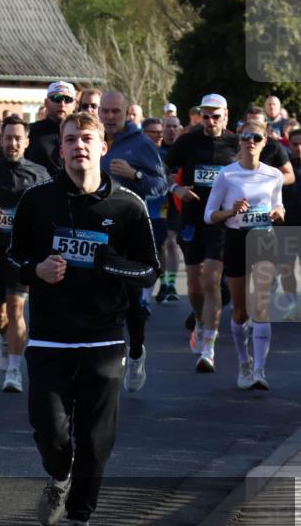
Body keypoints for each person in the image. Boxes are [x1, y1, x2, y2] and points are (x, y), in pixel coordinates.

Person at [8, 111, 159, 526]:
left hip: (104, 339)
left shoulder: (128, 206)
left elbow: (150, 270)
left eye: (87, 139)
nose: (78, 147)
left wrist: (108, 263)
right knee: (50, 433)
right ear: (60, 148)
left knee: (96, 440)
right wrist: (35, 270)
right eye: (70, 139)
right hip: (50, 338)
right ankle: (58, 476)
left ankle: (79, 524)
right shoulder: (38, 202)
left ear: (102, 147)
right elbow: (12, 258)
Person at [0, 116, 50, 392]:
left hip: (23, 254)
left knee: (17, 307)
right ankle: (7, 341)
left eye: (18, 138)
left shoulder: (40, 175)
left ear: (26, 142)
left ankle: (14, 370)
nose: (12, 143)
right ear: (0, 141)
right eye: (8, 138)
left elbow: (52, 214)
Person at [203, 120, 284, 390]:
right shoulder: (227, 175)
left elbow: (278, 205)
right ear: (239, 141)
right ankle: (244, 362)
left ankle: (260, 370)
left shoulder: (274, 175)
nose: (251, 141)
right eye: (246, 137)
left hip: (263, 238)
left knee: (260, 306)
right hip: (236, 239)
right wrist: (231, 212)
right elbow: (209, 215)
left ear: (264, 143)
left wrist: (279, 213)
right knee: (240, 309)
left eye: (256, 138)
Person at [99, 91, 168, 393]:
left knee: (132, 305)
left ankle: (136, 350)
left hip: (132, 232)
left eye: (116, 111)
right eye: (106, 111)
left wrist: (135, 173)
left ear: (126, 113)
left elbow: (161, 185)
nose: (110, 117)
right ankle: (103, 360)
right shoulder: (90, 138)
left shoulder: (141, 144)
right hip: (98, 232)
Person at [164, 94, 239, 371]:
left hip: (221, 221)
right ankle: (198, 319)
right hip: (192, 219)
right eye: (205, 116)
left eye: (215, 116)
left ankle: (208, 348)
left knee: (211, 281)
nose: (210, 122)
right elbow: (166, 169)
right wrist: (177, 189)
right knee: (195, 287)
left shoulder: (235, 144)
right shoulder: (187, 141)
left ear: (225, 116)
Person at [278, 129, 301, 318]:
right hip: (286, 225)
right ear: (289, 145)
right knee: (286, 266)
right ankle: (292, 304)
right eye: (295, 144)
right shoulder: (283, 166)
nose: (299, 147)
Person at [158, 116, 185, 303]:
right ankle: (163, 283)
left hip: (177, 201)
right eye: (168, 126)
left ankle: (172, 284)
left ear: (180, 129)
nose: (171, 130)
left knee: (172, 241)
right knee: (160, 244)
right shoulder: (156, 151)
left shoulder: (186, 151)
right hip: (159, 201)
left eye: (175, 126)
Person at [25, 81, 77, 175]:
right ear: (46, 103)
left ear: (74, 104)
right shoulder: (31, 131)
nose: (62, 103)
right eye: (56, 98)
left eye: (68, 99)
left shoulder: (82, 132)